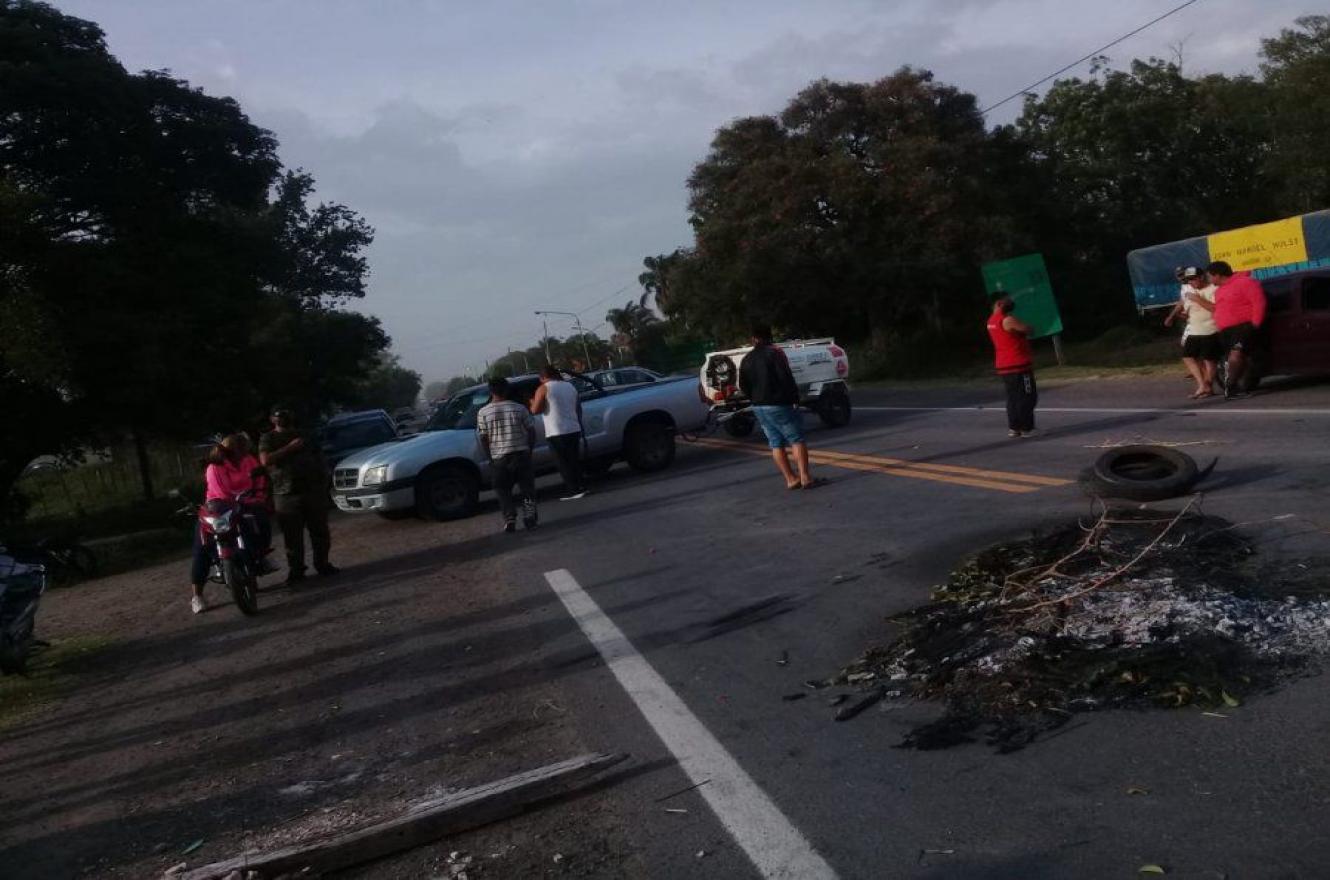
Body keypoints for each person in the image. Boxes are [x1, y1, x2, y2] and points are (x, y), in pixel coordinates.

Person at [188, 434, 273, 614]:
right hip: (219, 507)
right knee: (201, 548)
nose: (245, 455)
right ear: (235, 451)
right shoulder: (214, 467)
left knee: (261, 522)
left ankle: (259, 557)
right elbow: (221, 492)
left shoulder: (249, 460)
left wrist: (258, 497)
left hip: (245, 502)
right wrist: (239, 501)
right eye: (243, 451)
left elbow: (259, 480)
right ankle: (197, 595)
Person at [738, 323, 825, 489]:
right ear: (769, 337)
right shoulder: (775, 353)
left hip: (759, 406)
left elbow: (743, 385)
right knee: (796, 439)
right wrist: (794, 398)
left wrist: (754, 398)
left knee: (775, 443)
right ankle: (806, 477)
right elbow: (785, 377)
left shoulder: (746, 359)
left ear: (753, 339)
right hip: (778, 403)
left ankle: (791, 479)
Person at [259, 406, 337, 584]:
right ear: (272, 419)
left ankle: (322, 563)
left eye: (285, 415)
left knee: (320, 531)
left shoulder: (305, 434)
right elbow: (265, 460)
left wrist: (324, 478)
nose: (282, 419)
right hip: (285, 493)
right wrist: (289, 448)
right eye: (278, 416)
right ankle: (296, 570)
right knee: (292, 536)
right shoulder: (268, 438)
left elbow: (319, 456)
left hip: (312, 489)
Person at [477, 377, 538, 533]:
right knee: (527, 488)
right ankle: (529, 515)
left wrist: (490, 457)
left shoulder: (483, 412)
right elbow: (531, 430)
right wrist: (529, 450)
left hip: (499, 457)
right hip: (521, 453)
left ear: (490, 392)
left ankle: (509, 517)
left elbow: (483, 437)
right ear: (506, 390)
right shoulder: (519, 408)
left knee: (502, 489)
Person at [1207, 260, 1268, 399]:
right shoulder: (1219, 291)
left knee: (1236, 354)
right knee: (1233, 358)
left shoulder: (1246, 282)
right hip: (1226, 330)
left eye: (1210, 276)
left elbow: (1259, 302)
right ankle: (1239, 385)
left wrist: (1255, 324)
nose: (1209, 279)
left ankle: (1231, 387)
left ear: (1218, 275)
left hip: (1243, 326)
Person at [1163, 266, 1221, 398]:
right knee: (1188, 357)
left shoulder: (1213, 289)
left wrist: (1197, 299)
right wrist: (1175, 315)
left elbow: (1215, 308)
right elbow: (1184, 305)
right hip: (1194, 329)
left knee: (1209, 360)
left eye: (1193, 279)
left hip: (1210, 329)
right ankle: (1202, 385)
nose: (1191, 282)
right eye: (1188, 280)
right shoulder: (1189, 290)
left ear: (1201, 277)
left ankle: (1208, 386)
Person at [530, 365, 586, 500]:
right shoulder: (569, 386)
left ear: (543, 377)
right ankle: (580, 486)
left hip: (556, 431)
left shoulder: (543, 388)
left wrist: (530, 401)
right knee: (573, 459)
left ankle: (573, 490)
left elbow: (535, 410)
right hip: (573, 427)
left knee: (562, 462)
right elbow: (578, 407)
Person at [986, 295, 1038, 437]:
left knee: (1013, 397)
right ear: (998, 303)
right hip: (1018, 364)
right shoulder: (1007, 320)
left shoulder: (991, 321)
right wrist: (1028, 327)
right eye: (1005, 301)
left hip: (1004, 364)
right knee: (1028, 396)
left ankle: (1014, 427)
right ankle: (1026, 427)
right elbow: (1028, 329)